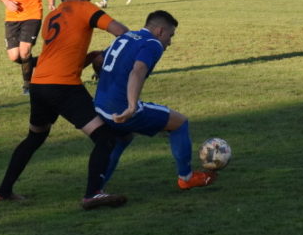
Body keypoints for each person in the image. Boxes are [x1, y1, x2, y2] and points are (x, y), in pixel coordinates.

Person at [0, 0, 130, 210]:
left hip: (39, 85)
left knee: (34, 138)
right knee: (105, 138)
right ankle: (92, 194)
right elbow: (123, 33)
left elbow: (60, 55)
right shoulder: (85, 7)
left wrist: (92, 56)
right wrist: (106, 55)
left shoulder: (51, 17)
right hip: (63, 86)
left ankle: (3, 191)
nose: (89, 1)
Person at [93, 10, 217, 190]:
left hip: (100, 105)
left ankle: (96, 189)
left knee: (122, 137)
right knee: (180, 123)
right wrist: (132, 106)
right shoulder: (153, 44)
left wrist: (100, 74)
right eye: (170, 35)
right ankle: (186, 178)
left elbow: (98, 59)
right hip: (121, 107)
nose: (170, 42)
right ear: (160, 31)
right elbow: (138, 70)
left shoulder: (126, 36)